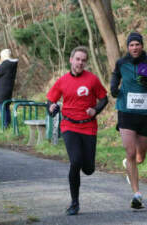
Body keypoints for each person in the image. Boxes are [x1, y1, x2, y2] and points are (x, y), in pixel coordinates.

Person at [46, 46, 108, 216]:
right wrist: (51, 108)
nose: (80, 63)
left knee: (88, 169)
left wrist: (95, 110)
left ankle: (87, 165)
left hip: (88, 126)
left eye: (83, 60)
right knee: (75, 161)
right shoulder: (62, 81)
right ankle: (74, 203)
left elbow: (104, 98)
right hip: (69, 126)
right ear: (71, 60)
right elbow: (50, 101)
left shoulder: (92, 80)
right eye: (77, 59)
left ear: (85, 63)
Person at [110, 32, 147, 209]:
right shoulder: (121, 63)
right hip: (126, 112)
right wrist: (113, 88)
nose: (134, 47)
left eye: (137, 44)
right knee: (130, 152)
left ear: (142, 46)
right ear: (128, 47)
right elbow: (115, 76)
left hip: (146, 114)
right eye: (131, 45)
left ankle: (129, 165)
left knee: (140, 156)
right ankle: (137, 194)